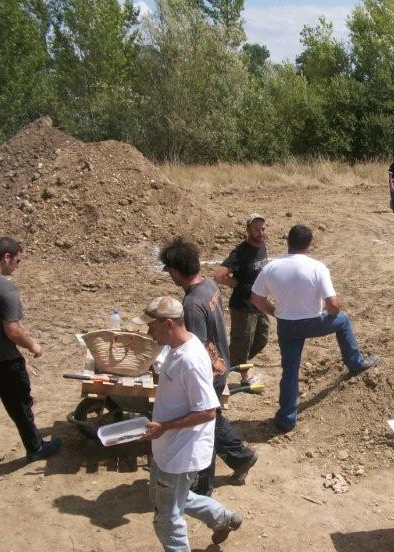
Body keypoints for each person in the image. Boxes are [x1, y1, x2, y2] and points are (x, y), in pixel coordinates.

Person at [134, 296, 242, 550]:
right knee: (169, 497)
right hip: (170, 448)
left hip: (180, 452)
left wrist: (164, 427)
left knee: (167, 519)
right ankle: (224, 519)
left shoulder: (190, 360)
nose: (149, 332)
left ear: (169, 324)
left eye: (152, 326)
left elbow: (208, 411)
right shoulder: (178, 346)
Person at [250, 224, 380, 433]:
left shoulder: (272, 268)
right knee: (343, 321)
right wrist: (331, 314)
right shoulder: (318, 267)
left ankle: (286, 419)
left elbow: (256, 298)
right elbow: (334, 304)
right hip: (312, 323)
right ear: (309, 244)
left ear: (288, 242)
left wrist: (274, 312)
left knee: (290, 370)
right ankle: (355, 364)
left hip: (286, 326)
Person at [159, 238, 258, 495]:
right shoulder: (210, 285)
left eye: (169, 270)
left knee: (201, 426)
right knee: (214, 420)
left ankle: (203, 487)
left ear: (176, 270)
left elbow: (197, 347)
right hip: (220, 364)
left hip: (209, 372)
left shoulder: (191, 305)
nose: (169, 275)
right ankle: (241, 457)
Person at [0, 237, 61, 489]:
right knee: (21, 408)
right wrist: (33, 345)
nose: (17, 266)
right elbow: (12, 329)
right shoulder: (6, 289)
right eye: (17, 260)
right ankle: (35, 448)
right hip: (6, 364)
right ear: (7, 257)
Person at [214, 213, 269, 387]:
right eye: (256, 229)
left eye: (263, 228)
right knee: (243, 343)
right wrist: (235, 283)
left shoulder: (262, 247)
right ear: (248, 230)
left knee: (261, 339)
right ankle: (244, 376)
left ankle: (225, 360)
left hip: (259, 303)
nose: (260, 232)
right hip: (243, 306)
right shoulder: (241, 251)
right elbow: (219, 274)